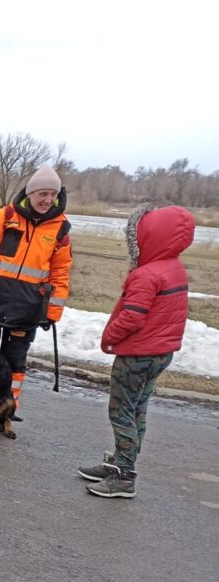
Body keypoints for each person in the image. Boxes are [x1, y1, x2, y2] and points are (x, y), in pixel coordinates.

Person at [78, 204, 193, 499]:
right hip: (160, 353)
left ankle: (125, 475)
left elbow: (132, 316)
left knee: (121, 412)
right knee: (137, 410)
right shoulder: (175, 268)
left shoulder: (147, 274)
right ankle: (119, 463)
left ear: (150, 237)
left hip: (137, 355)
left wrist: (109, 337)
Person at [0, 164, 73, 416]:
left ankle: (5, 411)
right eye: (42, 194)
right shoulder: (6, 216)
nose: (47, 200)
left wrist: (53, 311)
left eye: (52, 194)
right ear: (30, 193)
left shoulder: (61, 229)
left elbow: (60, 272)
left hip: (27, 309)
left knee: (15, 364)